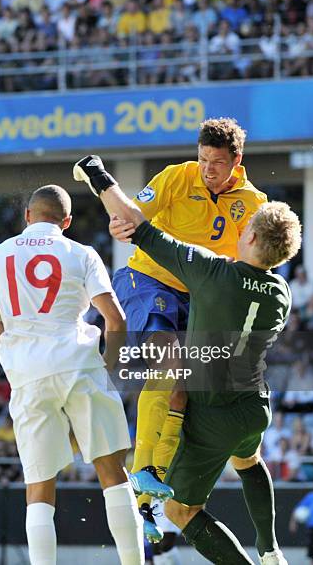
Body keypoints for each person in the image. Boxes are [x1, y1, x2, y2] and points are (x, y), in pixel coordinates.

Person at [74, 155, 302, 564]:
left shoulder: (212, 273)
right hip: (254, 406)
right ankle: (270, 550)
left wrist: (100, 178)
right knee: (248, 460)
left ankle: (147, 488)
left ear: (249, 240)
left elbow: (141, 228)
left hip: (215, 409)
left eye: (245, 229)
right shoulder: (282, 293)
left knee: (182, 511)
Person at [110, 117, 268, 540]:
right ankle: (141, 468)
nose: (207, 169)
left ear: (237, 161)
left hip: (200, 296)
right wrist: (121, 223)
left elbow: (252, 259)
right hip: (148, 280)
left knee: (182, 391)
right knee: (169, 362)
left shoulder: (253, 202)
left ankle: (147, 498)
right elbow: (134, 213)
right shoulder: (176, 177)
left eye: (216, 162)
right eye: (202, 159)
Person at [0, 185, 145, 565]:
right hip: (79, 363)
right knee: (111, 471)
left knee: (39, 484)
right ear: (66, 222)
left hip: (28, 373)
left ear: (28, 217)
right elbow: (115, 318)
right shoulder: (81, 253)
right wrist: (108, 367)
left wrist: (22, 337)